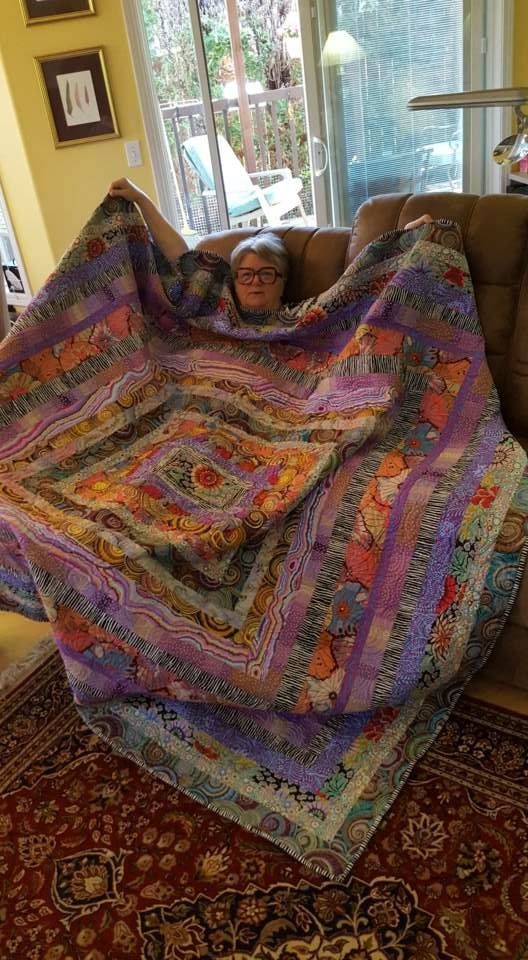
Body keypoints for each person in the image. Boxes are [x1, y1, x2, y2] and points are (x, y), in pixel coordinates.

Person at [108, 177, 432, 311]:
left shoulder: (307, 315)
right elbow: (179, 254)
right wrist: (141, 200)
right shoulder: (219, 308)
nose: (255, 282)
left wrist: (406, 239)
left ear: (283, 281)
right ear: (233, 281)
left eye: (266, 274)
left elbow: (362, 286)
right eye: (245, 275)